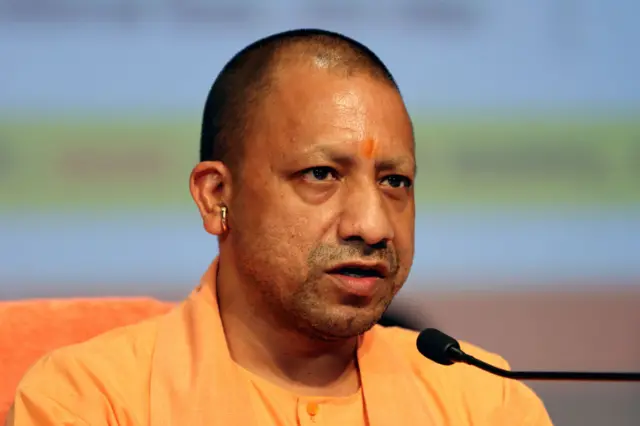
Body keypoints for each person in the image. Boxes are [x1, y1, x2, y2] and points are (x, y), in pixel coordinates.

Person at [7, 29, 553, 426]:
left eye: (395, 182)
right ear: (217, 196)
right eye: (321, 174)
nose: (373, 225)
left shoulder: (482, 401)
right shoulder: (91, 401)